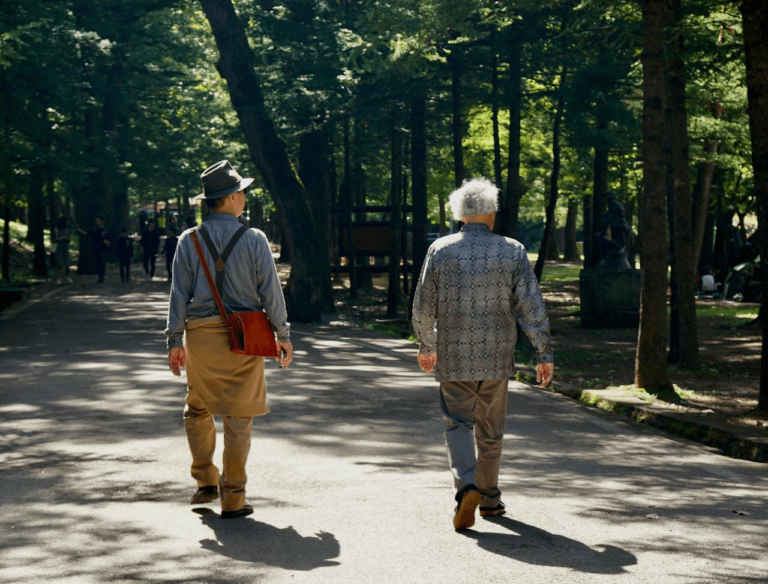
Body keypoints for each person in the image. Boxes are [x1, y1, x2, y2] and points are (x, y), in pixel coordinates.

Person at [412, 178, 554, 531]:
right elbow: (529, 304)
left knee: (457, 423)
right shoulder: (513, 250)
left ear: (460, 214)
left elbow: (423, 304)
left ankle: (467, 487)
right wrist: (543, 351)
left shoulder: (440, 250)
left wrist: (426, 344)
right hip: (496, 356)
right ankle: (489, 499)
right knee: (491, 430)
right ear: (490, 213)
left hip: (453, 354)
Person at [165, 160, 293, 519]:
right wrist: (282, 334)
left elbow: (179, 294)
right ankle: (233, 497)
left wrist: (175, 340)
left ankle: (205, 479)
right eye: (243, 192)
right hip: (245, 338)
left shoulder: (188, 240)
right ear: (234, 197)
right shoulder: (254, 239)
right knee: (239, 418)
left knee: (198, 407)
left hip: (201, 337)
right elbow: (270, 292)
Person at [78, 216, 110, 283]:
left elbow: (109, 238)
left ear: (102, 221)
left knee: (102, 262)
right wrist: (80, 231)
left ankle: (102, 276)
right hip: (96, 248)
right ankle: (99, 276)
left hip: (103, 248)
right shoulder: (94, 229)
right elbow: (88, 234)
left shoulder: (106, 229)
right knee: (98, 262)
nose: (97, 222)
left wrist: (108, 242)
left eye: (98, 220)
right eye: (96, 221)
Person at [54, 215, 73, 284]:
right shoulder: (56, 229)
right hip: (59, 247)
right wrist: (60, 238)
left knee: (67, 262)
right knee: (59, 263)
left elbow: (69, 239)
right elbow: (55, 239)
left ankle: (68, 277)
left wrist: (65, 238)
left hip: (65, 247)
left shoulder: (67, 230)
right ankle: (59, 278)